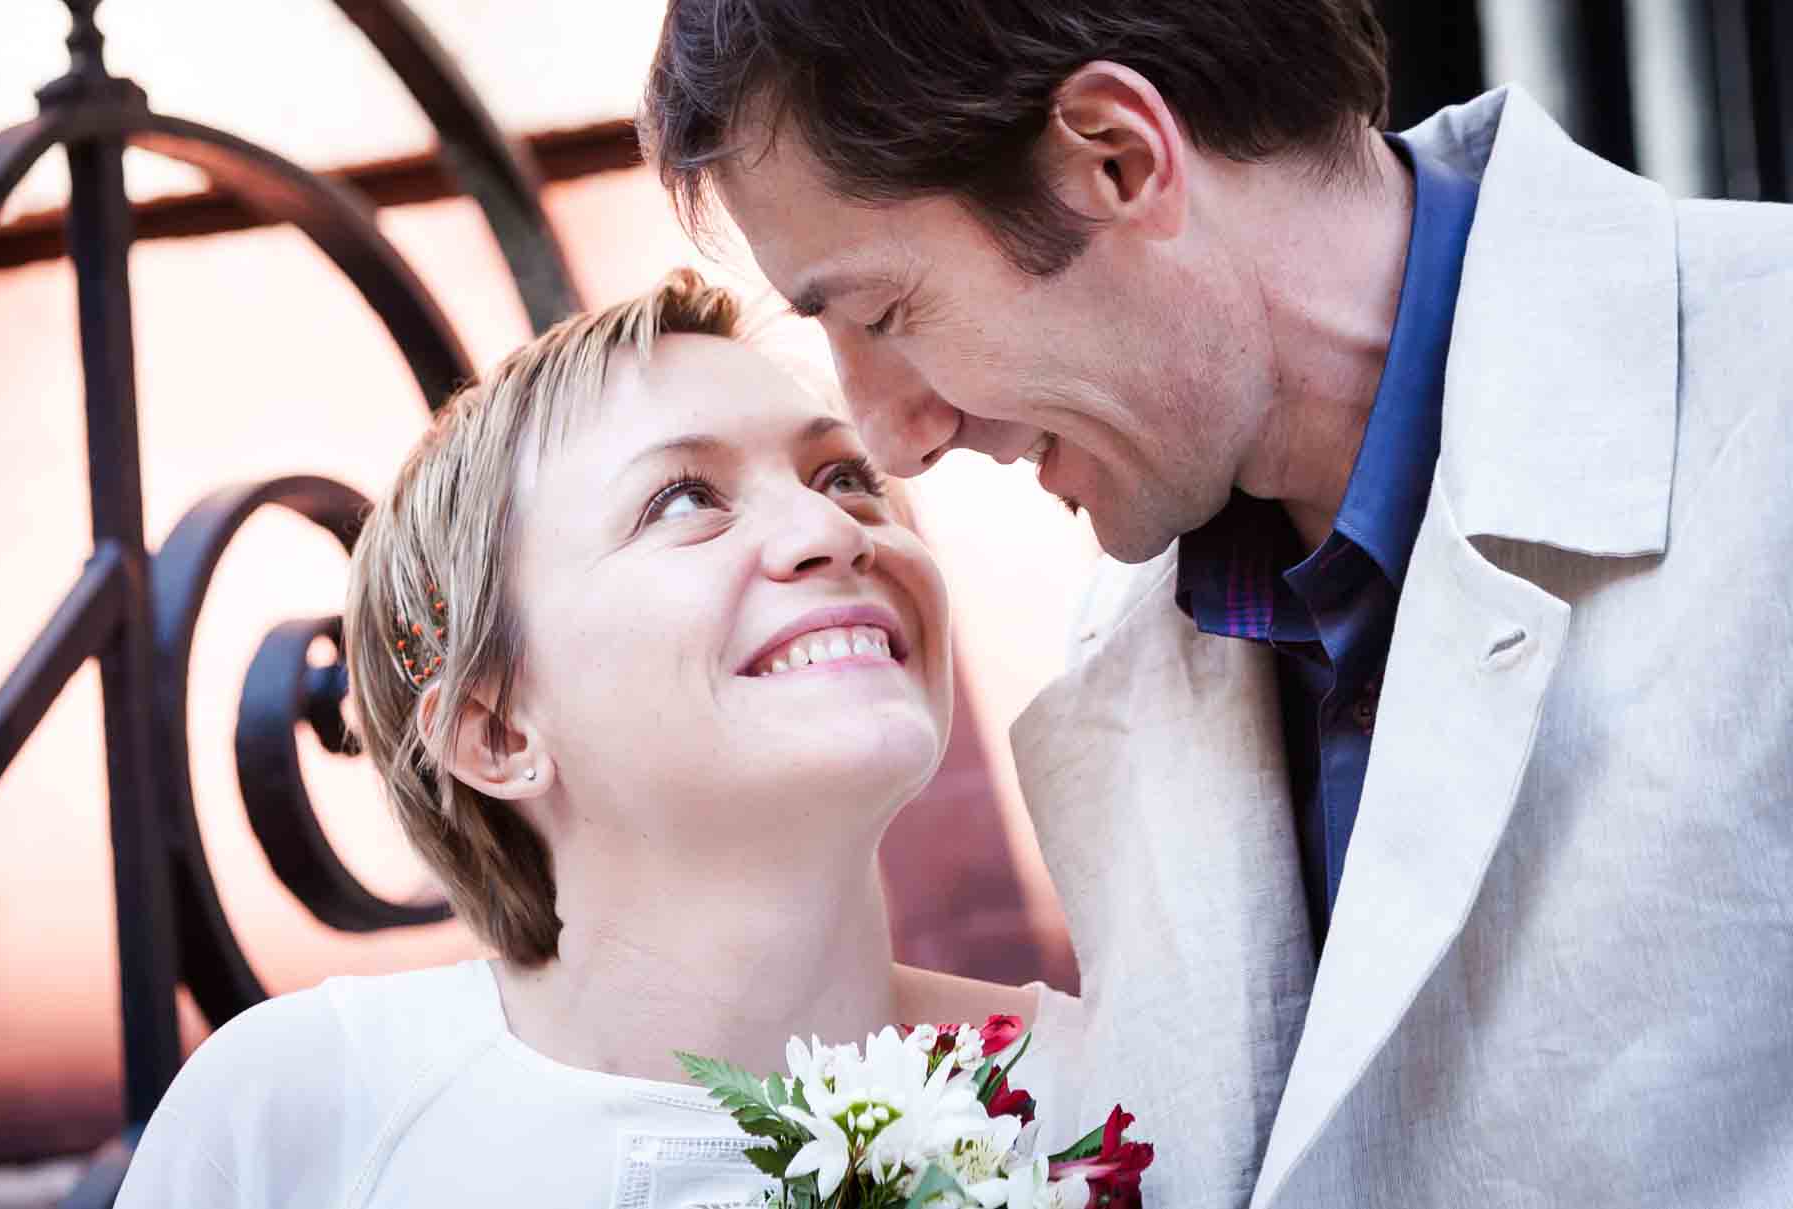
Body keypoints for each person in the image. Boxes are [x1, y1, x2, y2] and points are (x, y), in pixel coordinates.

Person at [642, 2, 1793, 1206]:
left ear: (1116, 158)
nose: (892, 439)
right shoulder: (1115, 650)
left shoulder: (1765, 385)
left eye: (884, 315)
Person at [115, 271, 1086, 1207]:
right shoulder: (299, 1114)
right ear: (496, 733)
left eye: (844, 475)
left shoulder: (1106, 1094)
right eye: (683, 499)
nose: (830, 529)